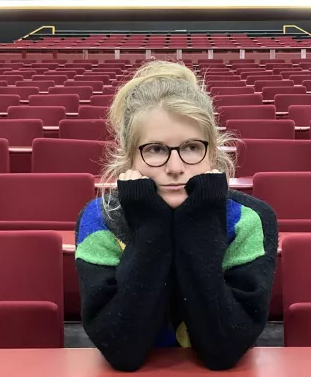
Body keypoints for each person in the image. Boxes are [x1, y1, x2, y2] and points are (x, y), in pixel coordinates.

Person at [74, 61, 278, 371]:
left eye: (192, 147)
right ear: (129, 157)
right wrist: (151, 228)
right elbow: (121, 351)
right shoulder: (99, 219)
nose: (175, 167)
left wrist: (198, 220)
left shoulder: (249, 219)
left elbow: (224, 349)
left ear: (213, 152)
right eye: (155, 149)